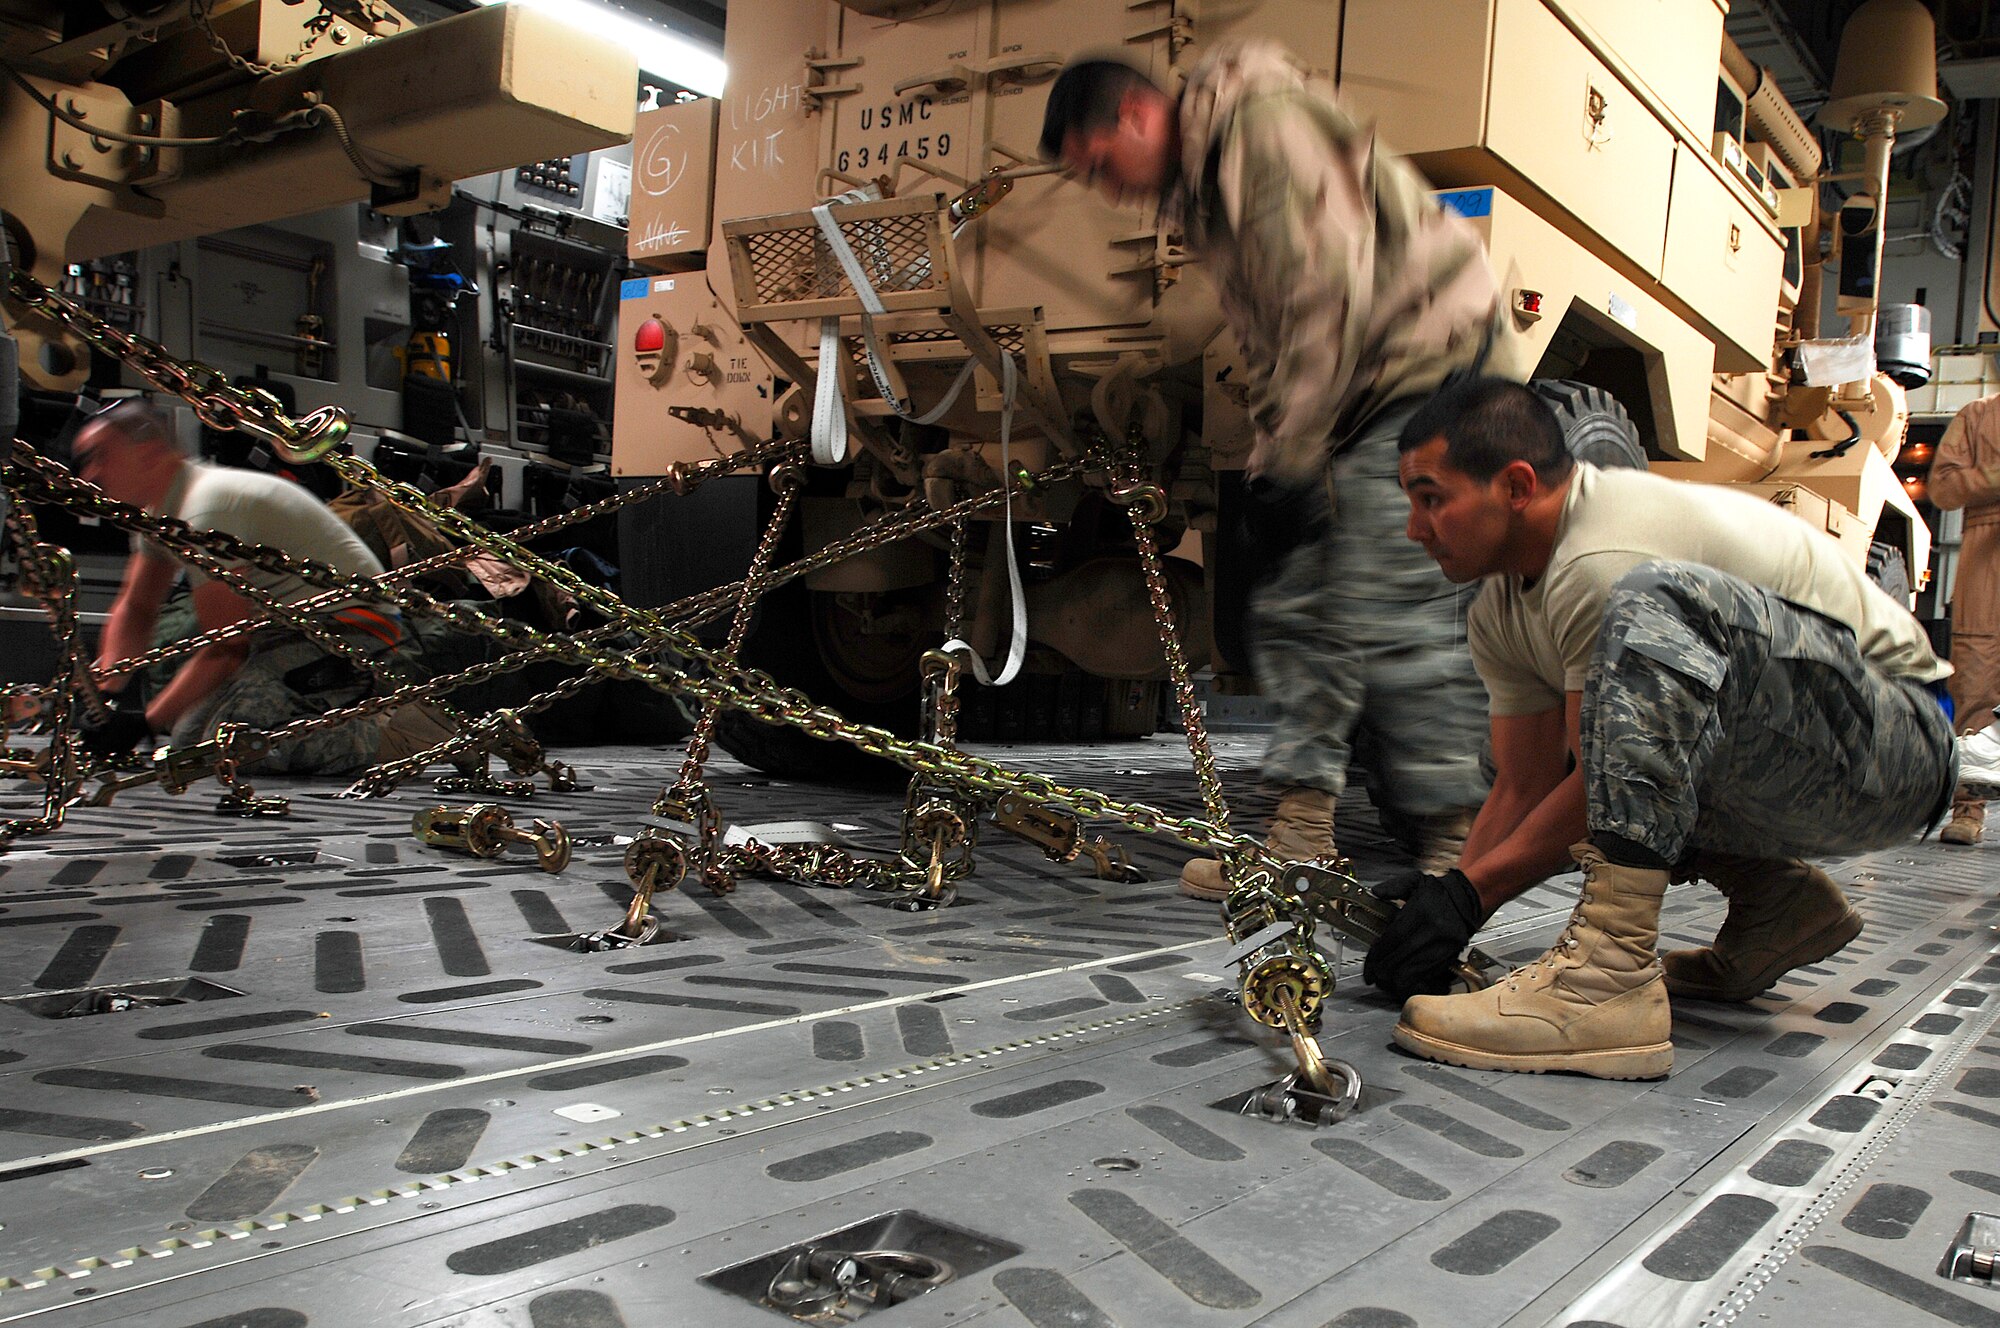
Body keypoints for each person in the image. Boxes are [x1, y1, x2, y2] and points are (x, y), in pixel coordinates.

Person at [1367, 377, 1955, 1079]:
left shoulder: (1599, 555)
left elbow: (1597, 786)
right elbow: (1524, 785)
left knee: (1655, 613)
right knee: (1627, 743)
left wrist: (1472, 894)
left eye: (1431, 498)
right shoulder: (1500, 609)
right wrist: (1449, 901)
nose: (1413, 527)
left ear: (1517, 486)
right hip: (1804, 756)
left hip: (1899, 749)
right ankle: (1781, 904)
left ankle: (1606, 982)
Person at [1039, 44, 1497, 897]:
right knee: (1302, 607)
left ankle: (1457, 854)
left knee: (1390, 606)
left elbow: (1326, 292)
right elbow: (1264, 327)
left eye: (1102, 165)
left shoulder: (1262, 131)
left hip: (1418, 361)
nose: (1108, 189)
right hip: (1359, 381)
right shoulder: (1205, 186)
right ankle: (1302, 834)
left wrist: (1294, 456)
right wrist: (1270, 451)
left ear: (1137, 116)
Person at [74, 400, 452, 775]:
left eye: (100, 457)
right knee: (191, 743)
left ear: (150, 454)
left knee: (240, 747)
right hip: (285, 631)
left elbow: (227, 647)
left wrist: (144, 723)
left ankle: (410, 734)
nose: (90, 474)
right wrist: (108, 696)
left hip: (352, 626)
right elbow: (137, 607)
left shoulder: (205, 508)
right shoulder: (162, 512)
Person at [1927, 389, 2000, 843]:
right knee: (1976, 678)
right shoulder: (1977, 416)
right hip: (1985, 562)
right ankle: (1967, 808)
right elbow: (1943, 486)